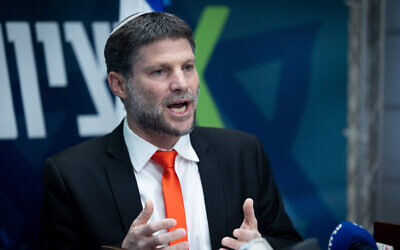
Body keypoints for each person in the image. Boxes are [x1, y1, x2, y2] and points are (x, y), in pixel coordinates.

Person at [40, 12, 302, 250]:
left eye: (188, 67)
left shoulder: (243, 153)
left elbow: (289, 242)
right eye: (160, 71)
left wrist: (261, 248)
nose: (181, 83)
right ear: (119, 84)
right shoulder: (71, 176)